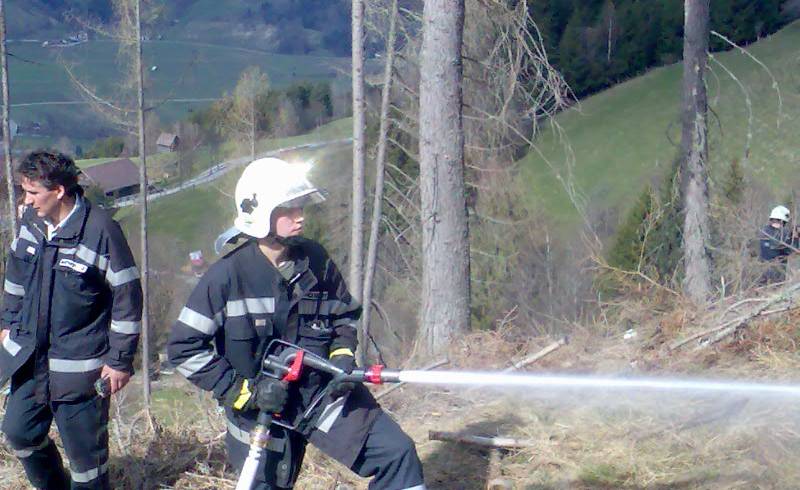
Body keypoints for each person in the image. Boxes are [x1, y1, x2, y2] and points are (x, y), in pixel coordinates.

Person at [167, 158, 425, 490]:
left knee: (397, 454)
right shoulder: (227, 277)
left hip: (322, 394)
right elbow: (184, 349)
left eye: (300, 206)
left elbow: (343, 315)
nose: (300, 215)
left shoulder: (316, 260)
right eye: (288, 208)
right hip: (258, 414)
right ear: (261, 215)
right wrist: (243, 392)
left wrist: (342, 355)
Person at [0, 150, 143, 489]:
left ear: (59, 191)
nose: (26, 200)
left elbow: (127, 297)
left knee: (87, 466)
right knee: (19, 433)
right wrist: (7, 321)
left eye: (33, 192)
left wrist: (120, 361)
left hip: (81, 369)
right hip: (32, 359)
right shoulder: (30, 223)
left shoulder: (101, 231)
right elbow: (17, 276)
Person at [759, 205, 798, 284]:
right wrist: (796, 238)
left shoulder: (762, 231)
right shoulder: (783, 234)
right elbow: (791, 250)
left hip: (760, 271)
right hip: (778, 273)